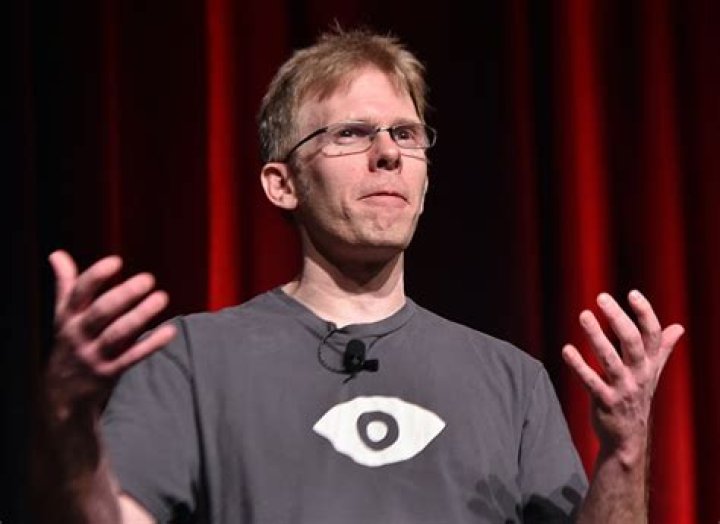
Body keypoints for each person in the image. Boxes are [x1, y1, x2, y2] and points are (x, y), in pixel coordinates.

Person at [38, 27, 685, 523]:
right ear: (282, 183)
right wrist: (67, 418)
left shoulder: (512, 380)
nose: (387, 154)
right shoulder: (191, 359)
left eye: (406, 134)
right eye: (351, 133)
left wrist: (626, 449)